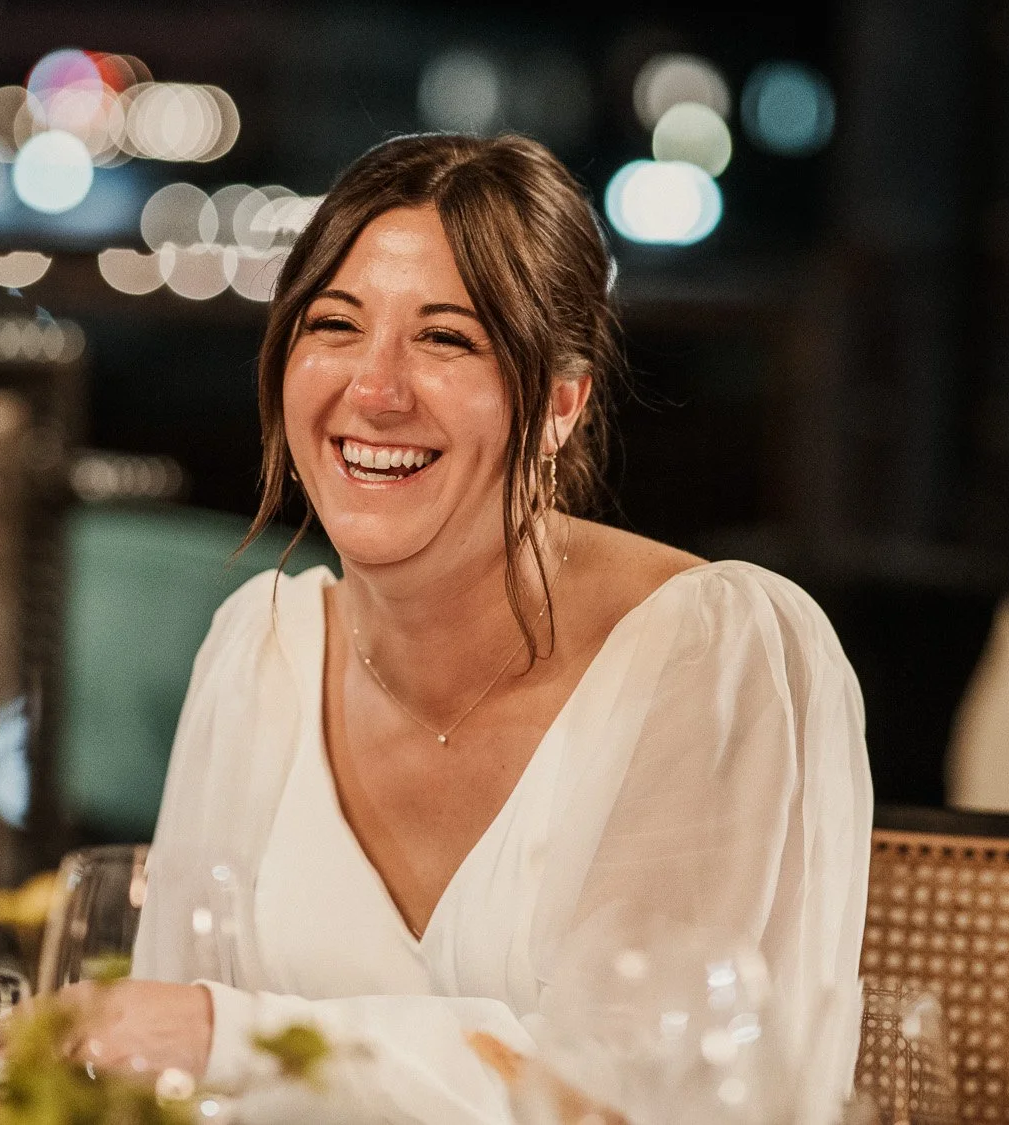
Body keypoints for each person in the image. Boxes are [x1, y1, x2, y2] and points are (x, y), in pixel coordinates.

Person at [68, 133, 872, 1121]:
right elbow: (157, 1082)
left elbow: (649, 1095)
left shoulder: (715, 653)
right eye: (335, 325)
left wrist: (228, 1035)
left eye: (446, 339)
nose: (374, 390)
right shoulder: (260, 650)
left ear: (562, 403)